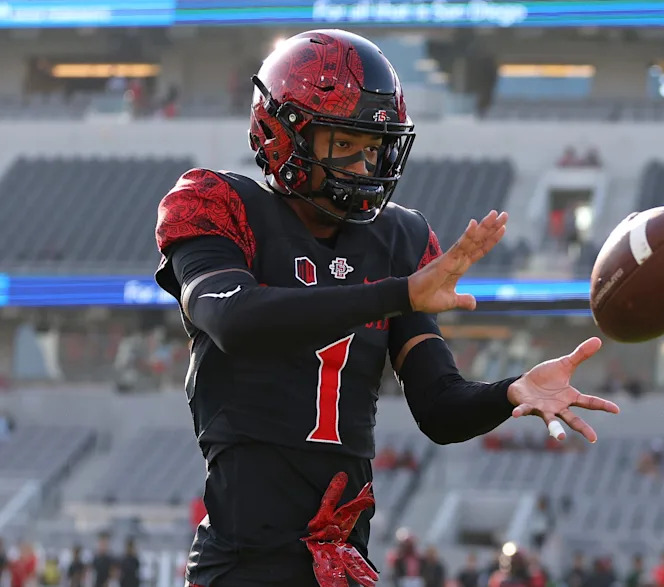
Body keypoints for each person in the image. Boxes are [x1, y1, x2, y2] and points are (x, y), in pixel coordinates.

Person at [154, 29, 619, 587]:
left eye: (374, 146)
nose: (365, 162)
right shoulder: (218, 205)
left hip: (345, 565)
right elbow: (234, 320)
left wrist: (510, 391)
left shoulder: (397, 239)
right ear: (285, 134)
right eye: (344, 142)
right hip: (243, 566)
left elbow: (439, 408)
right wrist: (396, 293)